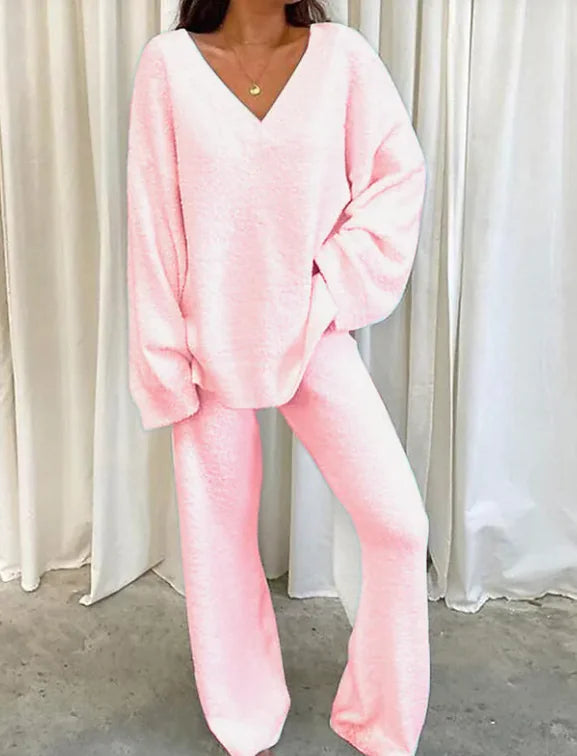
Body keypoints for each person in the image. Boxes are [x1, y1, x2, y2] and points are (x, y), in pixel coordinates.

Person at [125, 1, 430, 754]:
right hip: (207, 344)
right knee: (219, 546)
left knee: (399, 525)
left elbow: (398, 178)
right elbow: (153, 224)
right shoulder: (169, 68)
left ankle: (380, 717)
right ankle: (244, 714)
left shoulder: (343, 58)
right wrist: (166, 360)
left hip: (310, 332)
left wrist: (329, 289)